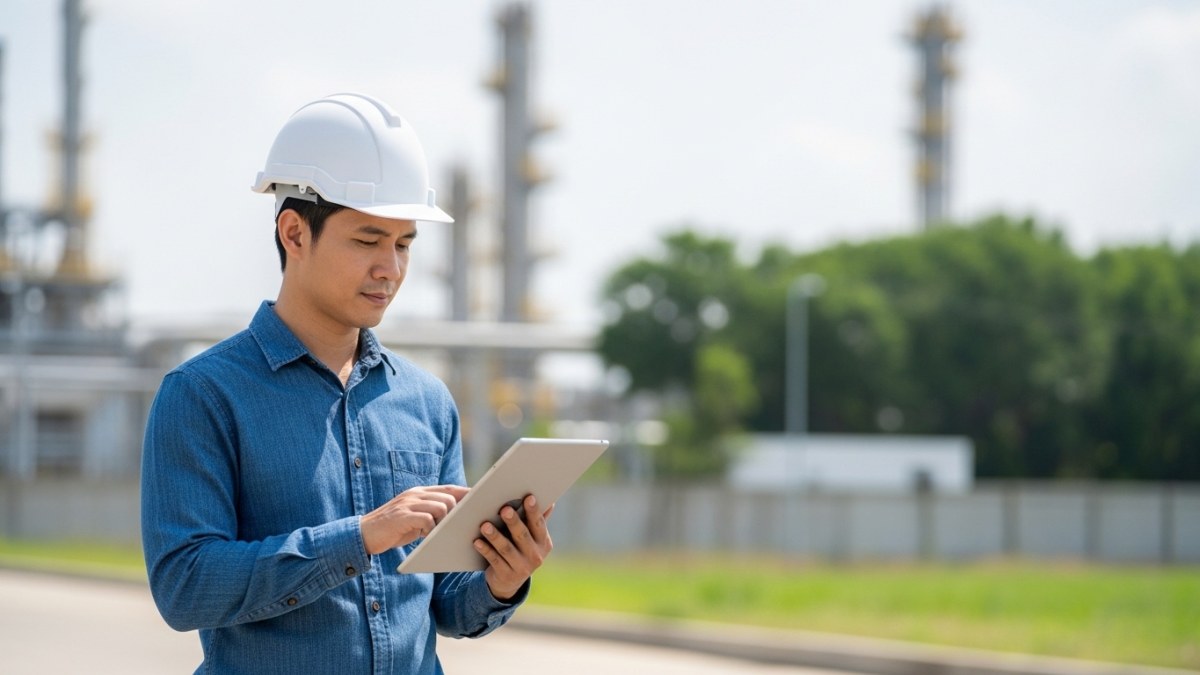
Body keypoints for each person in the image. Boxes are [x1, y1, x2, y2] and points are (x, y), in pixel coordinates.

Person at [141, 92, 552, 674]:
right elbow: (185, 588)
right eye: (367, 240)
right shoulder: (204, 395)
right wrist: (359, 538)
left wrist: (502, 580)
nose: (390, 268)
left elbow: (447, 604)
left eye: (404, 243)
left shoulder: (426, 402)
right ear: (295, 233)